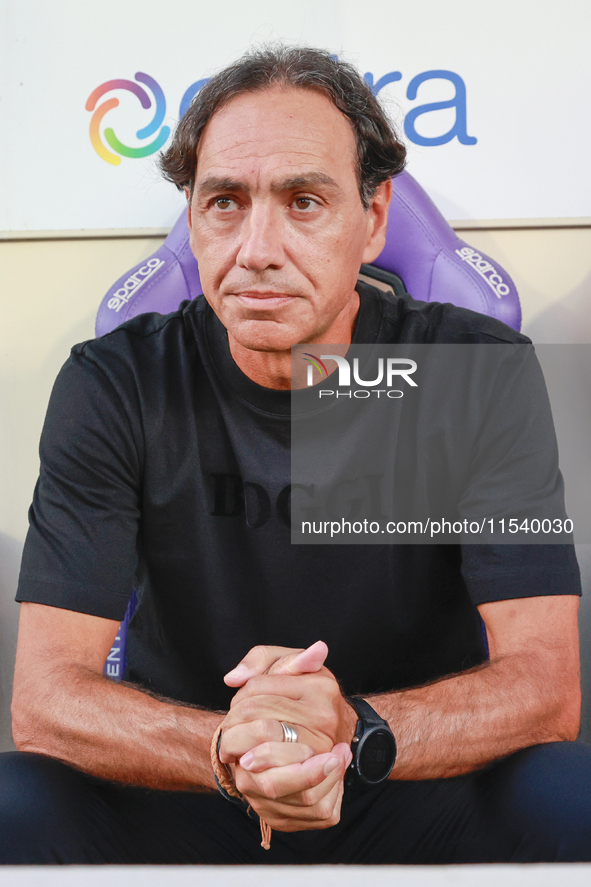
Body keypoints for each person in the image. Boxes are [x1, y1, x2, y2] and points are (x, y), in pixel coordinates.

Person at [1, 45, 589, 865]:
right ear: (194, 216)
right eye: (225, 203)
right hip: (192, 781)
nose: (256, 248)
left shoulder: (469, 372)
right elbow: (45, 700)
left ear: (372, 217)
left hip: (407, 777)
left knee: (573, 791)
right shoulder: (116, 382)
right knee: (14, 800)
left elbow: (544, 686)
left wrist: (349, 730)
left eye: (303, 202)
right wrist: (230, 752)